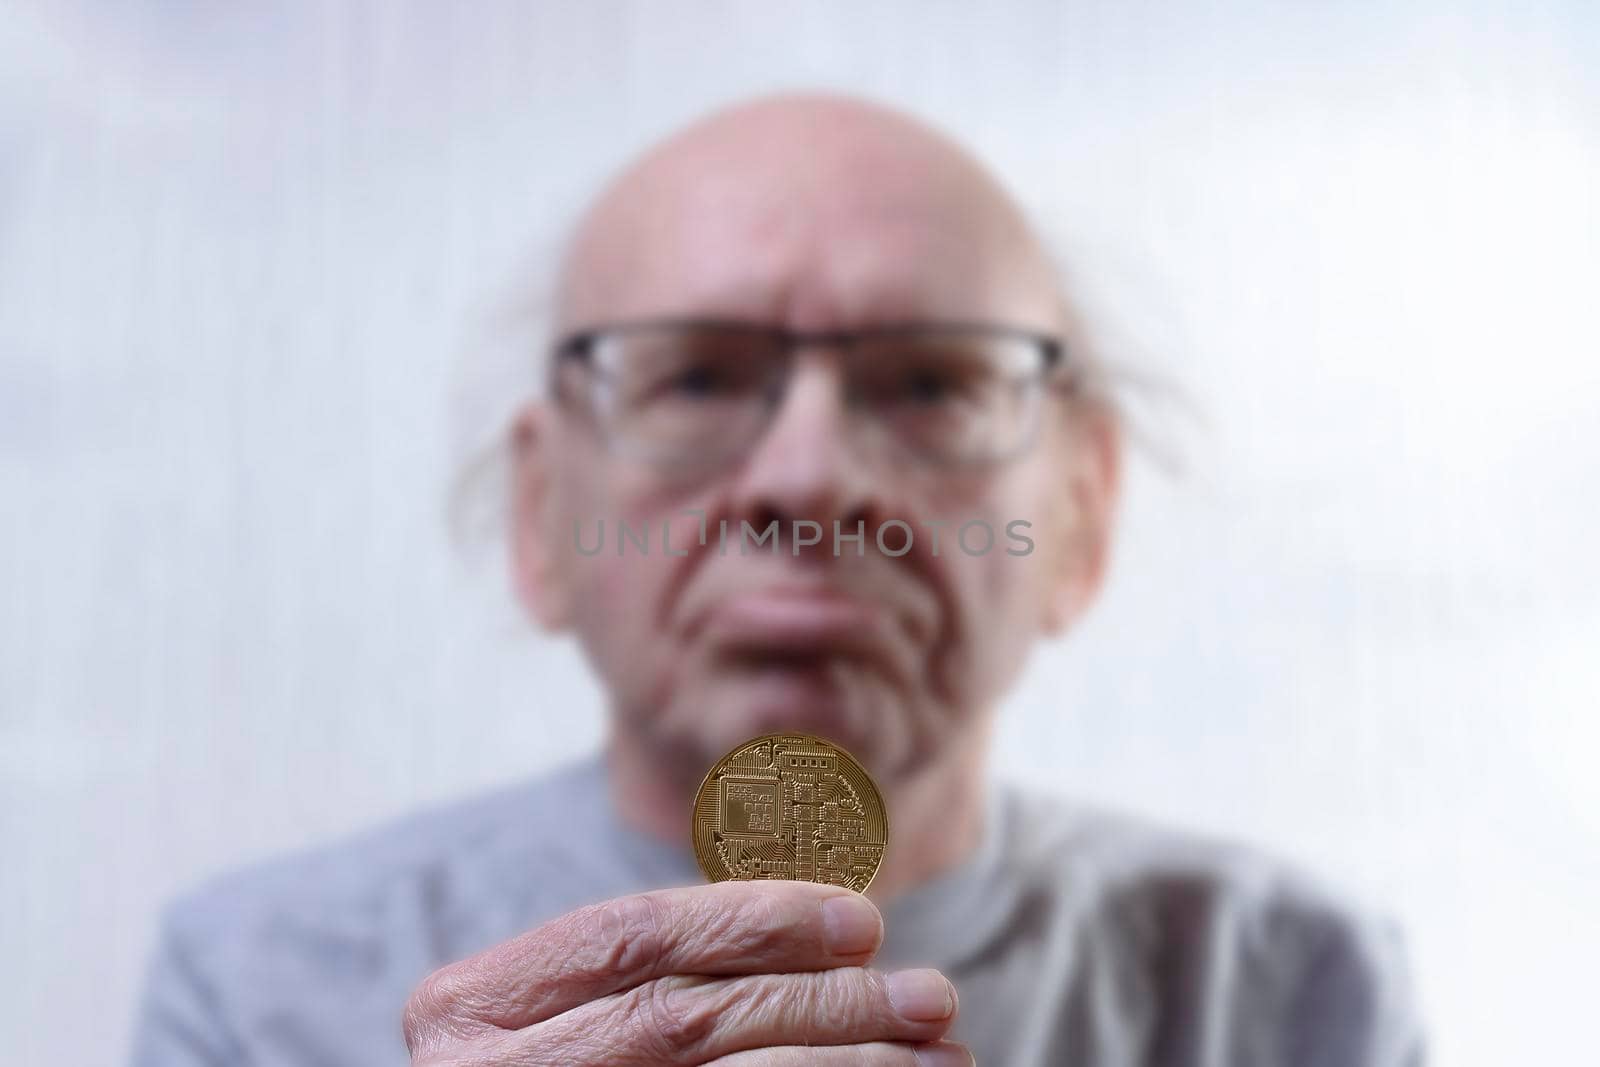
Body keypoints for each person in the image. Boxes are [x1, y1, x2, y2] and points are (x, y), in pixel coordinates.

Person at [131, 93, 1424, 1067]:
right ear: (540, 517)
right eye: (693, 376)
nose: (807, 483)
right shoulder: (259, 982)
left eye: (931, 382)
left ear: (1080, 518)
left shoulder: (1287, 980)